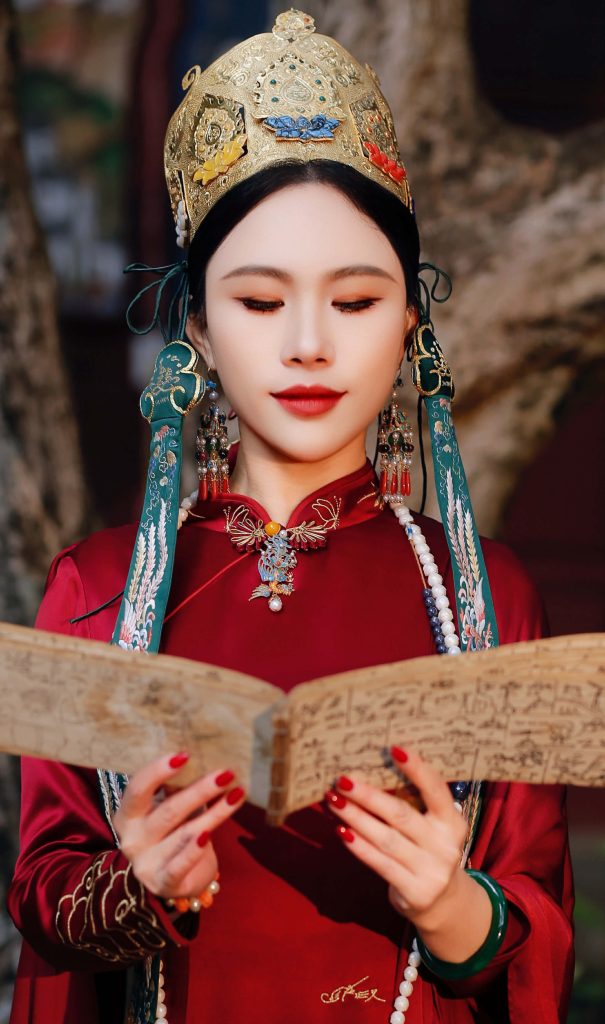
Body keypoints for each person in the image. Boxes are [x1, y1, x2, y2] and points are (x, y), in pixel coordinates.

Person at [8, 10, 573, 1024]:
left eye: (354, 303)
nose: (308, 344)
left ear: (409, 325)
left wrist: (452, 908)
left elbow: (535, 901)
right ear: (198, 326)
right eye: (261, 303)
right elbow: (45, 895)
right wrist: (139, 887)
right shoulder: (98, 590)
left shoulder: (479, 595)